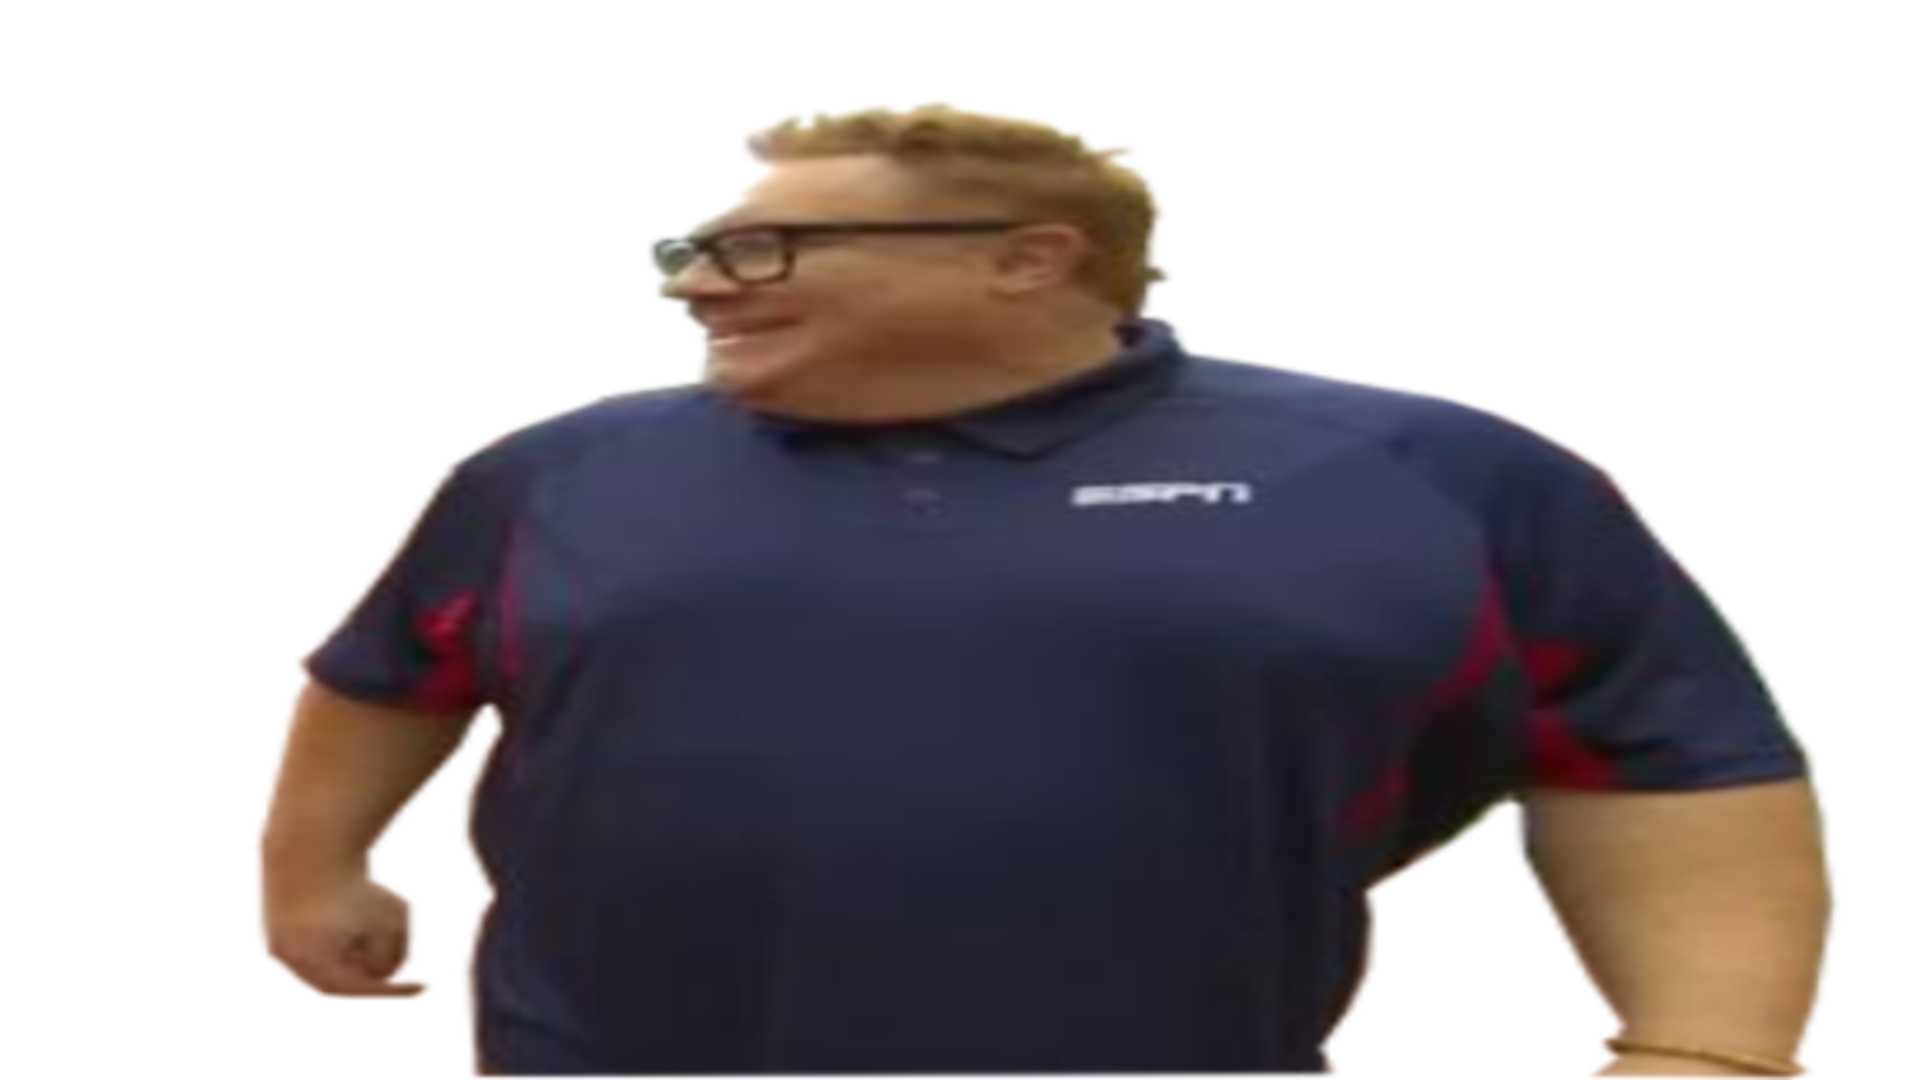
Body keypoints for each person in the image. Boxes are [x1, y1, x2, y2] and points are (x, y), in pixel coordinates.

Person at [257, 99, 1816, 1079]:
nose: (705, 284)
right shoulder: (557, 469)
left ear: (1027, 258)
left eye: (772, 248)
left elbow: (1659, 752)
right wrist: (315, 872)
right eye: (696, 250)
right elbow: (389, 673)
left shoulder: (1426, 471)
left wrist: (1706, 1048)